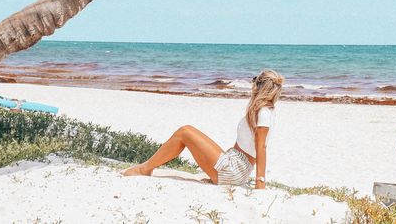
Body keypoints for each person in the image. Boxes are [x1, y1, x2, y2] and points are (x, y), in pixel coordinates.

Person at [121, 69, 284, 189]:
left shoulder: (263, 113)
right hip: (233, 165)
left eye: (255, 82)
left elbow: (261, 148)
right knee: (186, 133)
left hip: (233, 170)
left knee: (185, 131)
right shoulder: (263, 111)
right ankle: (147, 167)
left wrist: (260, 182)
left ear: (259, 87)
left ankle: (145, 168)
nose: (252, 86)